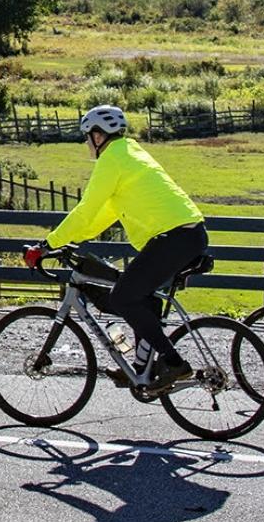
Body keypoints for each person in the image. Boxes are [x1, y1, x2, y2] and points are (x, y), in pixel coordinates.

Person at [25, 104, 208, 392]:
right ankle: (141, 369)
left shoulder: (112, 160)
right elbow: (99, 219)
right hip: (187, 235)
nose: (87, 143)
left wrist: (46, 244)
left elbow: (86, 210)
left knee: (123, 297)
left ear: (98, 136)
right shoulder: (129, 153)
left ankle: (174, 362)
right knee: (142, 300)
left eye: (87, 136)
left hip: (174, 238)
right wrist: (67, 241)